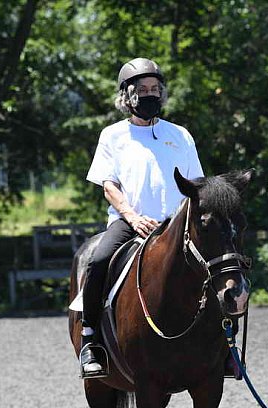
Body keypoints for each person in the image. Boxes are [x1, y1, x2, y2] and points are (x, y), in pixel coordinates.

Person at [80, 58, 204, 378]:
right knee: (97, 261)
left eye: (155, 89)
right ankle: (90, 339)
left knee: (216, 265)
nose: (150, 95)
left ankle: (224, 348)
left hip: (177, 224)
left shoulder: (180, 135)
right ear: (127, 95)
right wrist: (132, 217)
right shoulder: (112, 135)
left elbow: (196, 184)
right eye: (142, 90)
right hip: (129, 221)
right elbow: (109, 185)